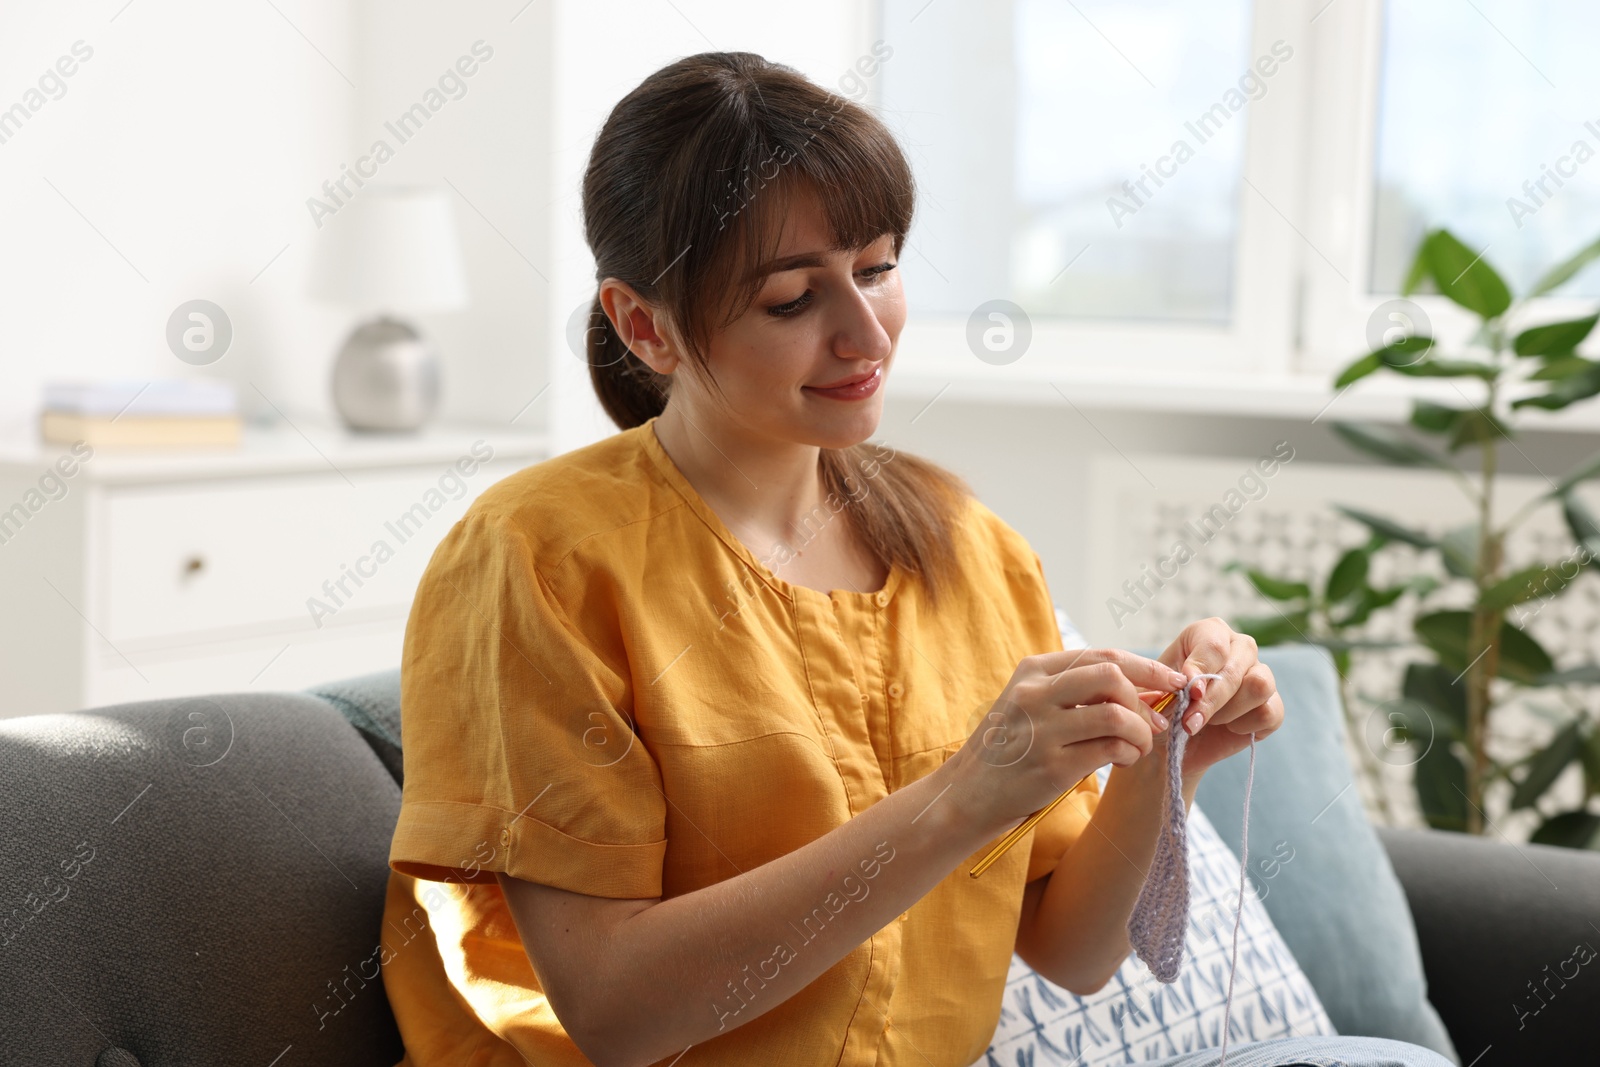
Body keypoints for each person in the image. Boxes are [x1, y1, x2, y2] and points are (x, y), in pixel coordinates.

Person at [378, 51, 1442, 1067]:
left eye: (878, 269)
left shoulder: (967, 545)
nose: (865, 333)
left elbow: (1070, 952)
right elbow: (617, 1013)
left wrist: (1174, 753)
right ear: (644, 326)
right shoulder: (537, 557)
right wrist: (960, 795)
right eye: (793, 299)